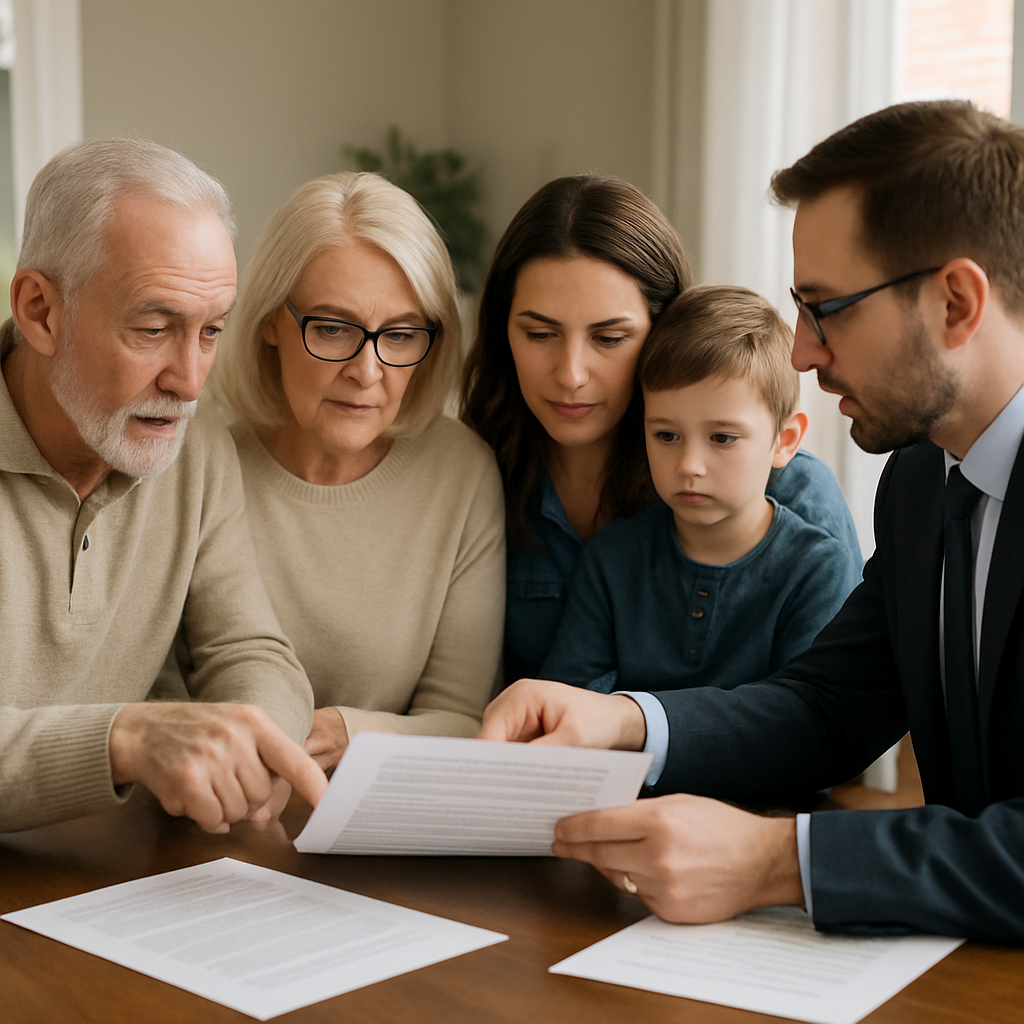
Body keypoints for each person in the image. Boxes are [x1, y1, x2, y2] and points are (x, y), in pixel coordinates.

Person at [479, 100, 1024, 943]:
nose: (801, 352)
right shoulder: (920, 482)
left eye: (827, 307)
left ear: (955, 303)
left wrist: (777, 860)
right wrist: (624, 720)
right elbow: (826, 708)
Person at [0, 137, 326, 834]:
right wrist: (125, 739)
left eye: (211, 331)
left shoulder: (196, 448)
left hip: (104, 884)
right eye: (154, 328)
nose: (189, 379)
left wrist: (254, 741)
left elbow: (247, 649)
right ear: (39, 311)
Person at [460, 175, 861, 685]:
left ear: (664, 333)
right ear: (503, 333)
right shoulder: (476, 475)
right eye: (540, 334)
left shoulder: (791, 492)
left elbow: (834, 713)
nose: (571, 374)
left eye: (609, 338)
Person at [210, 172, 504, 771]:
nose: (367, 371)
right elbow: (159, 698)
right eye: (333, 328)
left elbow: (466, 720)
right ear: (271, 321)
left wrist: (359, 733)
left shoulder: (462, 473)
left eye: (399, 335)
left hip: (386, 831)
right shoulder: (203, 468)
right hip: (213, 818)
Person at [538, 286, 862, 695]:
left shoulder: (817, 569)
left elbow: (809, 727)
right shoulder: (611, 559)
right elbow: (569, 704)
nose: (689, 465)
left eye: (723, 438)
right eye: (667, 435)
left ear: (784, 441)